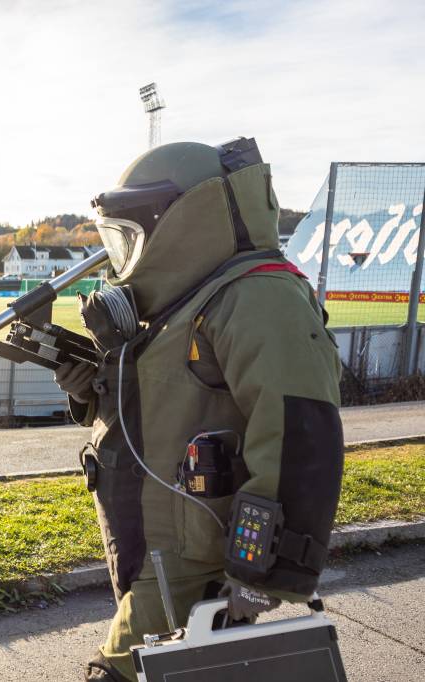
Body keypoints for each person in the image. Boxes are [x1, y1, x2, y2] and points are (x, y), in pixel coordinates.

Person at [55, 138, 344, 681]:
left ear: (179, 221)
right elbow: (167, 406)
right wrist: (89, 389)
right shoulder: (186, 300)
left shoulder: (259, 296)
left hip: (201, 561)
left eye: (131, 237)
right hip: (157, 550)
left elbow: (301, 438)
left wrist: (259, 575)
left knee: (114, 673)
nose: (125, 257)